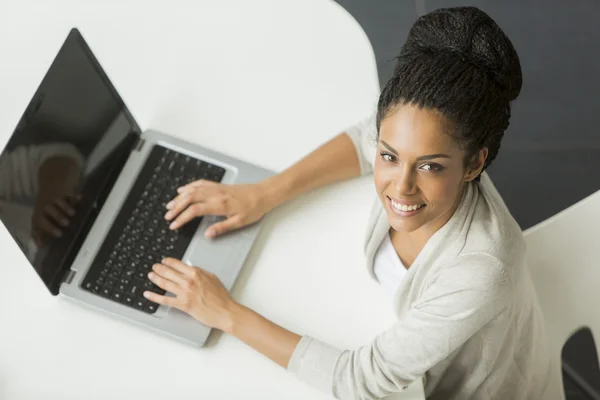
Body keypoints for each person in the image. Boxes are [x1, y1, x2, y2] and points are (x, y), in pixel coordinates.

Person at [145, 6, 552, 399]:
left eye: (429, 167)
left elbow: (362, 379)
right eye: (389, 156)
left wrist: (225, 313)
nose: (401, 187)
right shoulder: (416, 135)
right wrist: (261, 193)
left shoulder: (482, 269)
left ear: (474, 163)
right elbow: (365, 137)